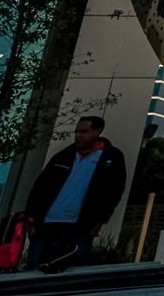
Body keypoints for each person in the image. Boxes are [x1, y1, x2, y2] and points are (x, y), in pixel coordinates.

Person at [25, 114, 127, 273]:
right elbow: (40, 188)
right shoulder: (64, 156)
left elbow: (114, 191)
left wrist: (98, 222)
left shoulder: (111, 157)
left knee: (73, 271)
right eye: (77, 132)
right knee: (34, 269)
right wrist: (31, 220)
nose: (79, 136)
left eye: (84, 131)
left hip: (80, 226)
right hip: (47, 224)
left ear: (97, 131)